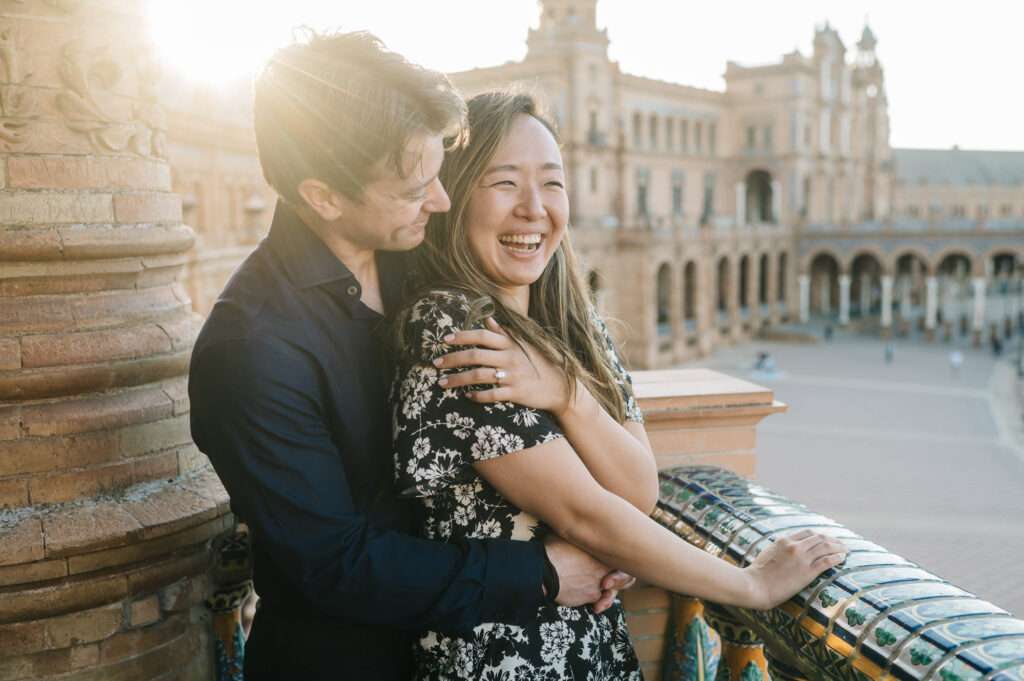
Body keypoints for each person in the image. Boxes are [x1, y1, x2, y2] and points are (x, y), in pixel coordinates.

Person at [187, 32, 630, 681]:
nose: (442, 202)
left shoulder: (415, 254)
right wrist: (540, 570)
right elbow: (334, 563)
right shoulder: (250, 348)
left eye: (438, 176)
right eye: (414, 187)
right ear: (324, 196)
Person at [390, 91, 847, 681]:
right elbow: (589, 516)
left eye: (552, 183)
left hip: (591, 653)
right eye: (504, 183)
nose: (534, 208)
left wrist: (566, 392)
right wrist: (751, 585)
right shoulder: (452, 327)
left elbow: (637, 491)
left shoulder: (576, 326)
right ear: (453, 198)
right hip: (497, 659)